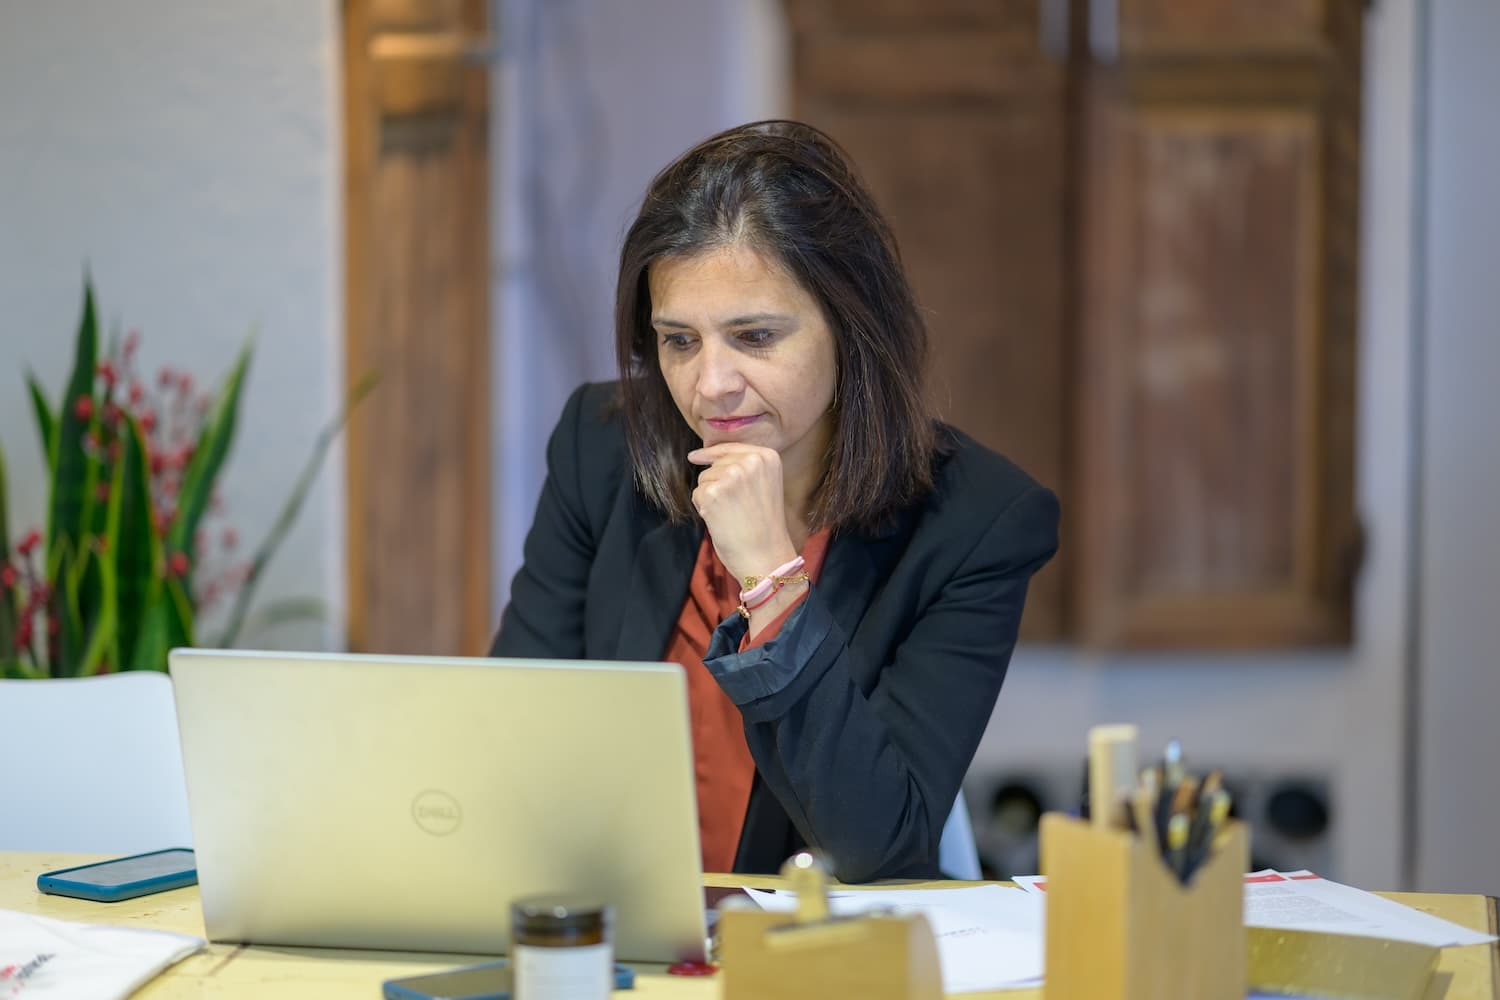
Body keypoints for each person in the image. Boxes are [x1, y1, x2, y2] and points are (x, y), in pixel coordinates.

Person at [490, 120, 1059, 882]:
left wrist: (769, 578)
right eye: (678, 340)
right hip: (617, 938)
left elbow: (877, 848)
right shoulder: (602, 449)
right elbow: (513, 736)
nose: (709, 385)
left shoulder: (977, 522)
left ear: (851, 330)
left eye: (754, 337)